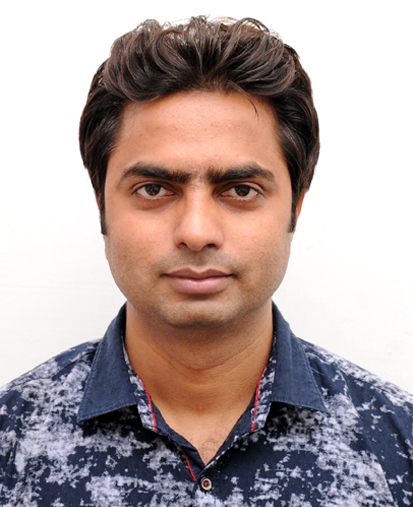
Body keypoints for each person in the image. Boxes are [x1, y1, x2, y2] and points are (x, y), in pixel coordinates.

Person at [1, 15, 412, 506]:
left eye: (241, 190)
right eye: (153, 189)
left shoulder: (398, 445)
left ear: (295, 207)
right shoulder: (11, 442)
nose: (196, 233)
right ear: (102, 206)